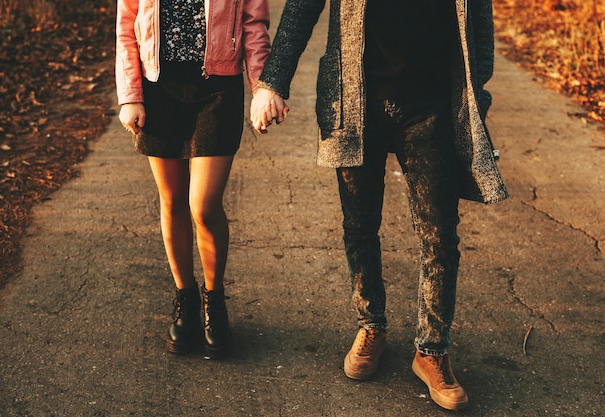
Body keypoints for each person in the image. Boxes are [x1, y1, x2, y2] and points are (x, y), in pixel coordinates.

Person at [250, 0, 508, 410]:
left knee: (439, 234)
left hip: (432, 105)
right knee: (359, 224)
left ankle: (432, 351)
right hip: (355, 101)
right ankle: (371, 326)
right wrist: (272, 82)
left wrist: (477, 95)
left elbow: (479, 20)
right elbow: (301, 8)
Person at [116, 0, 278, 359]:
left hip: (217, 87)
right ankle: (185, 297)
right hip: (157, 87)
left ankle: (213, 299)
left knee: (203, 205)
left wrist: (263, 86)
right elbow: (126, 25)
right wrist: (130, 96)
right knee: (172, 201)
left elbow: (253, 24)